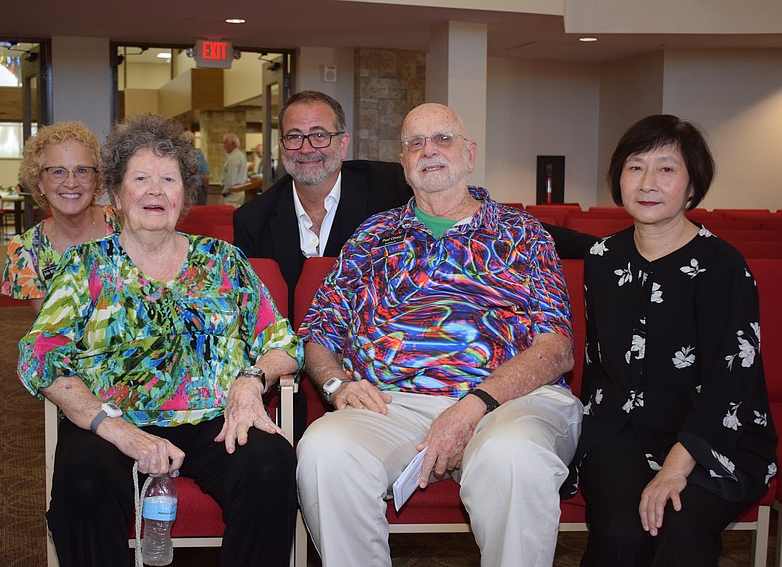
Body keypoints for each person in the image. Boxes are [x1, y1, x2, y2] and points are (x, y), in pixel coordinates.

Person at [295, 103, 583, 567]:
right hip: (392, 404)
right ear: (404, 165)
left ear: (469, 154)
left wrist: (473, 406)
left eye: (442, 139)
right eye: (415, 143)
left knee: (514, 457)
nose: (428, 151)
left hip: (509, 400)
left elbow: (555, 350)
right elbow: (319, 331)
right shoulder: (371, 236)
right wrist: (336, 384)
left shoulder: (523, 234)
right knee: (324, 452)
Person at [17, 114, 302, 567]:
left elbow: (283, 343)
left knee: (271, 465)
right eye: (141, 178)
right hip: (112, 422)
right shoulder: (85, 266)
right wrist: (116, 429)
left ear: (185, 195)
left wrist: (250, 381)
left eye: (168, 179)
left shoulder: (223, 261)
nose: (155, 190)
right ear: (116, 192)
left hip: (214, 420)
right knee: (83, 482)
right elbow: (40, 356)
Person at [568, 114, 777, 566]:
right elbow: (599, 365)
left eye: (666, 168)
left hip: (717, 433)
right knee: (622, 530)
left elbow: (730, 382)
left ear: (692, 186)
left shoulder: (723, 266)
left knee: (680, 526)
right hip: (620, 427)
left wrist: (675, 469)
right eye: (635, 166)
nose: (647, 182)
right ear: (618, 178)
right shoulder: (603, 258)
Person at [232, 90, 412, 316]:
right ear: (282, 145)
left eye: (319, 136)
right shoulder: (252, 221)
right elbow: (252, 311)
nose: (306, 149)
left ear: (343, 143)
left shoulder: (394, 189)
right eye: (294, 137)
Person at [1, 121, 122, 312]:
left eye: (82, 171)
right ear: (40, 182)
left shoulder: (124, 225)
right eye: (58, 172)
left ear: (96, 179)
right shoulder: (26, 251)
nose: (71, 183)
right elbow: (52, 329)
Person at [220, 132, 248, 208]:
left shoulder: (234, 158)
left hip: (232, 194)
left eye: (226, 143)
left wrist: (225, 191)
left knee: (228, 217)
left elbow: (231, 178)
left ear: (233, 144)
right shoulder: (240, 155)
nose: (223, 146)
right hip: (239, 192)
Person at [186, 130, 211, 205]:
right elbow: (206, 177)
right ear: (193, 142)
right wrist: (206, 190)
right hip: (197, 191)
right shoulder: (198, 155)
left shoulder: (178, 156)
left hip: (184, 191)